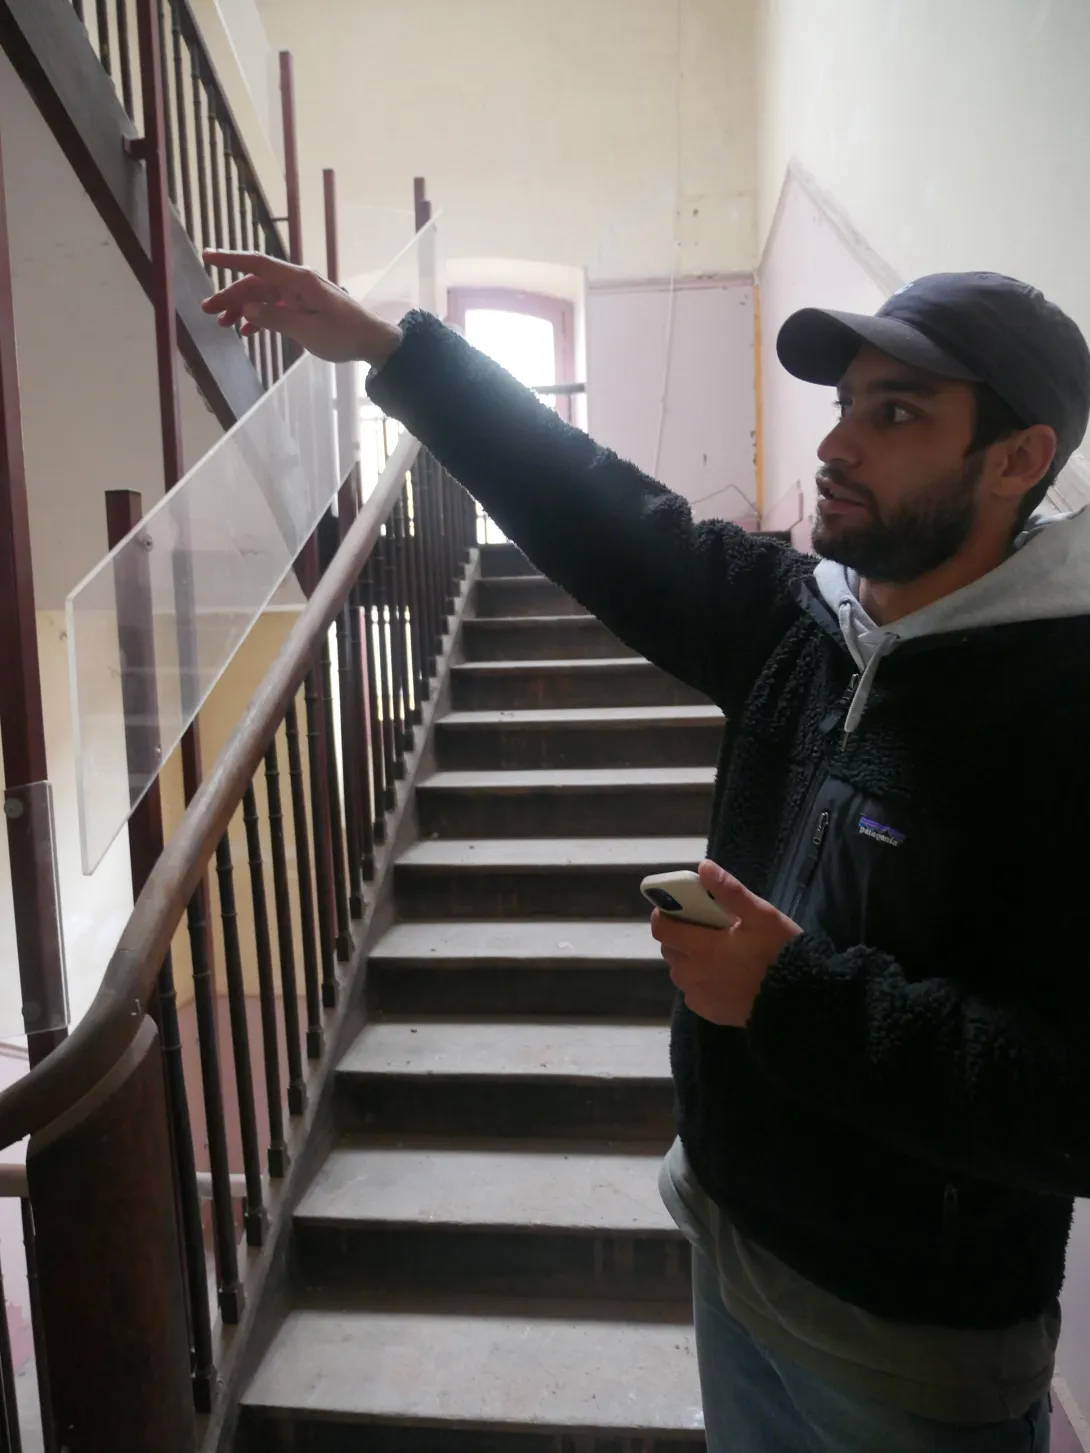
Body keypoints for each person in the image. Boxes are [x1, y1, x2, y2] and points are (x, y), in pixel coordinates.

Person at [202, 252, 1090, 1453]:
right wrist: (394, 351)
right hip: (727, 1241)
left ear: (1017, 460)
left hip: (910, 1346)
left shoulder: (1059, 710)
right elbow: (605, 514)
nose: (837, 447)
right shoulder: (802, 622)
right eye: (842, 408)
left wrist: (789, 995)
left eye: (895, 416)